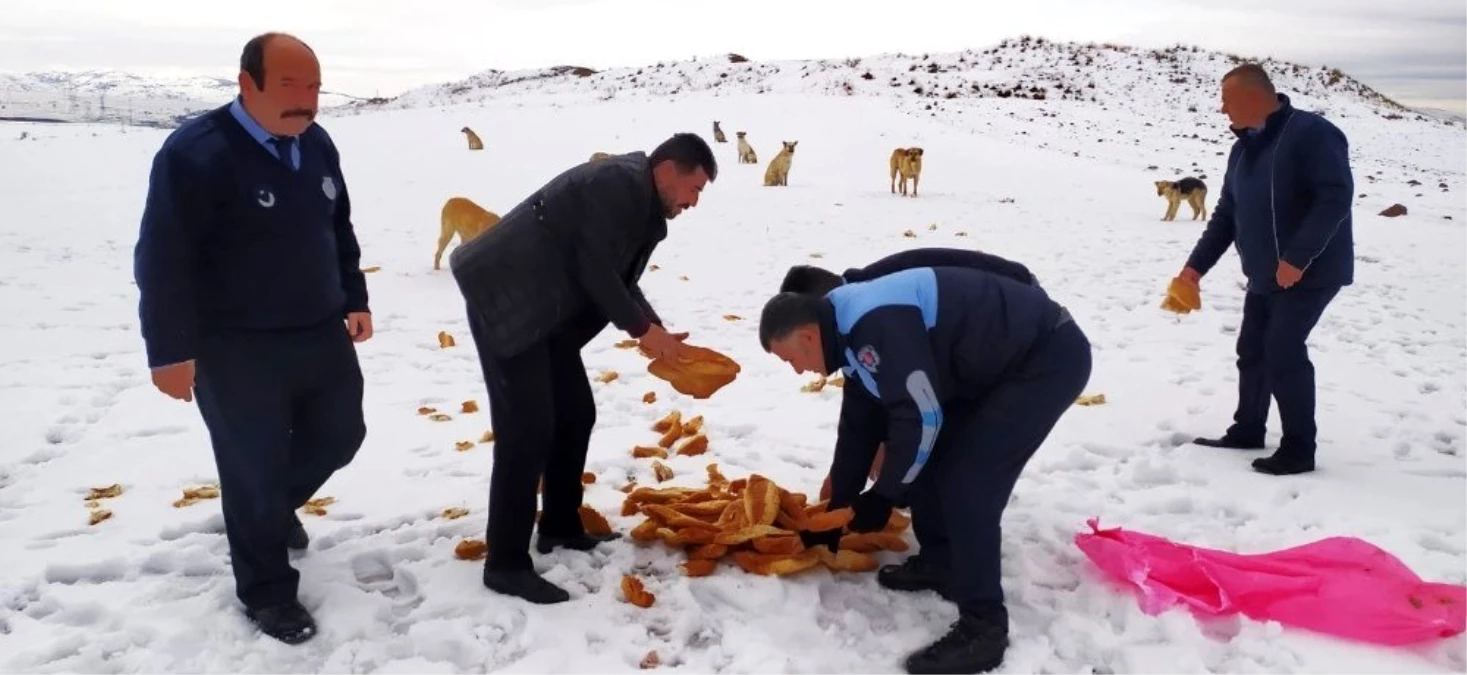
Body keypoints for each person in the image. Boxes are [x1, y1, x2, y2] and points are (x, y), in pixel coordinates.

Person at [133, 32, 371, 644]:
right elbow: (163, 258)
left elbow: (337, 227)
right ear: (247, 84)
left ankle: (263, 511)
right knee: (253, 465)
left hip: (318, 329)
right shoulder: (196, 154)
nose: (306, 100)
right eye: (289, 85)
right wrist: (169, 350)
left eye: (314, 87)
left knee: (342, 435)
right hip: (235, 344)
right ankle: (266, 591)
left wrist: (355, 297)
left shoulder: (316, 144)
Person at [758, 265, 1091, 675]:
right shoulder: (845, 332)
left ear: (808, 336)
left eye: (792, 359)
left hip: (1043, 359)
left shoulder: (873, 322)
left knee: (970, 484)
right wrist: (839, 507)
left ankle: (984, 626)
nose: (797, 371)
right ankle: (943, 561)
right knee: (936, 462)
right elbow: (859, 426)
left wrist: (884, 497)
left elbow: (922, 416)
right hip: (986, 370)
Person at [448, 136, 716, 604]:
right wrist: (641, 330)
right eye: (694, 189)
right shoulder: (616, 184)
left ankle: (560, 525)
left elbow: (620, 278)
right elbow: (591, 265)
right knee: (526, 430)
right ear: (668, 169)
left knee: (575, 414)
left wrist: (654, 329)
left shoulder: (642, 205)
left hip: (544, 314)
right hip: (506, 301)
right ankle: (506, 563)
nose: (694, 203)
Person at [1172, 63, 1353, 476]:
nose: (1223, 110)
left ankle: (1298, 449)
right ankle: (1248, 428)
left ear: (1255, 97)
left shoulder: (1311, 133)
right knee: (1252, 350)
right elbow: (1226, 215)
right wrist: (1194, 268)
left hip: (1310, 271)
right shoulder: (1243, 149)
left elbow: (1335, 197)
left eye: (1227, 100)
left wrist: (1298, 258)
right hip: (1264, 272)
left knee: (1283, 350)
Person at [777, 246, 1042, 500]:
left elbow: (910, 391)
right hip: (974, 331)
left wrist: (886, 447)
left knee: (948, 445)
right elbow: (866, 397)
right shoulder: (851, 310)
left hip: (1013, 316)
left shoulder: (874, 308)